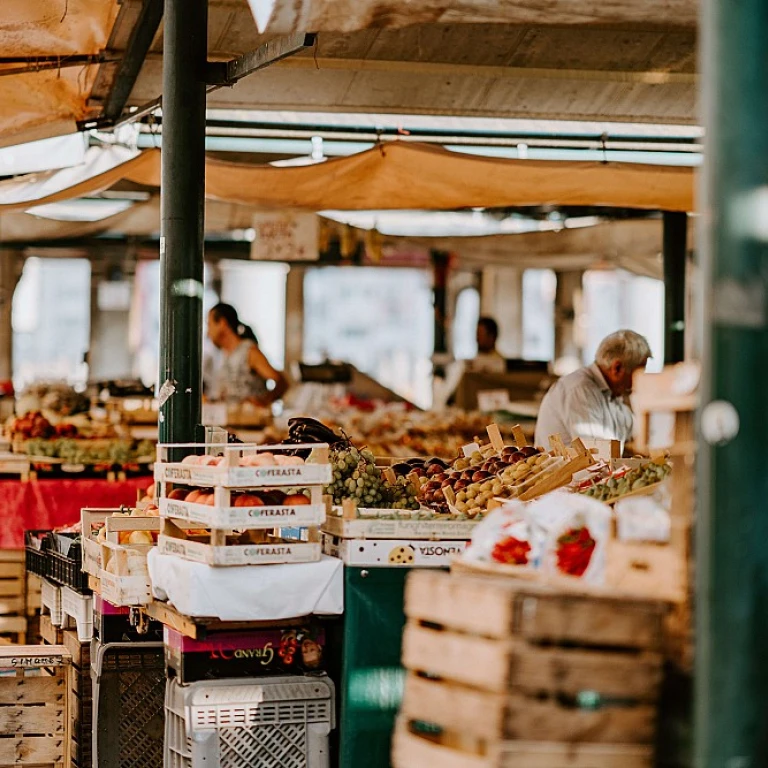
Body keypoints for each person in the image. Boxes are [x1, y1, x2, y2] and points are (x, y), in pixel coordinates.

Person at [534, 329, 651, 449]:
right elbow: (598, 454)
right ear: (617, 368)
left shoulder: (613, 394)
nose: (638, 382)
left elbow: (633, 434)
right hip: (569, 468)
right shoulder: (580, 390)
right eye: (638, 373)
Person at [205, 303, 289, 405]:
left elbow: (282, 382)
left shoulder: (249, 352)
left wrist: (263, 402)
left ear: (222, 323)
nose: (208, 333)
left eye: (209, 325)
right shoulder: (221, 355)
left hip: (250, 420)